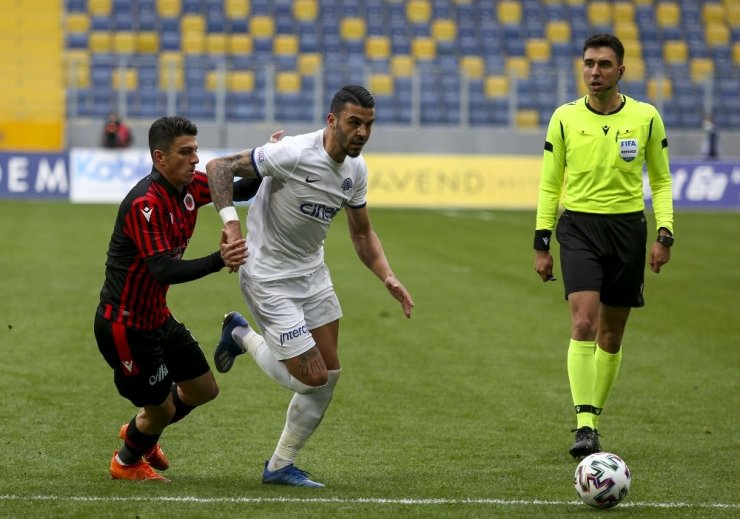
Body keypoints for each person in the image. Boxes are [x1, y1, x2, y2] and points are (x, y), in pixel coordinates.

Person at [205, 85, 414, 488]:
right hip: (267, 274)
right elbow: (218, 167)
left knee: (329, 374)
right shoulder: (294, 153)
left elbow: (362, 233)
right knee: (311, 378)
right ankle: (241, 334)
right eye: (355, 123)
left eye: (369, 125)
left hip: (312, 275)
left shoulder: (356, 170)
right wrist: (231, 223)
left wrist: (387, 275)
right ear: (332, 120)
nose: (362, 133)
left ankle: (281, 465)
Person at [94, 116, 261, 481]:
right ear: (160, 158)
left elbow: (241, 190)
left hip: (157, 317)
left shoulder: (189, 187)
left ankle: (142, 432)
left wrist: (269, 159)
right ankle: (126, 463)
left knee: (203, 389)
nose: (195, 160)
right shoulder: (145, 203)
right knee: (162, 408)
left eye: (196, 151)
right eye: (186, 153)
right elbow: (164, 270)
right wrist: (220, 259)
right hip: (125, 325)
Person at [532, 34, 674, 458]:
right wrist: (542, 242)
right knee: (584, 323)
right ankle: (585, 424)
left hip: (628, 230)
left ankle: (594, 415)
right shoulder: (564, 118)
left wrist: (665, 231)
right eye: (589, 64)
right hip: (578, 228)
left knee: (611, 335)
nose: (595, 72)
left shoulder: (647, 117)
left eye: (604, 65)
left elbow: (662, 180)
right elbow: (549, 182)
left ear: (620, 71)